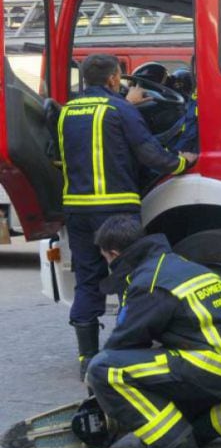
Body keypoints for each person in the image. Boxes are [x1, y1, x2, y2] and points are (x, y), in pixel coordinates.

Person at [84, 215, 221, 448]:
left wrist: (98, 387)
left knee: (104, 370)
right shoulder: (179, 265)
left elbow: (123, 343)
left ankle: (170, 445)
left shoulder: (149, 282)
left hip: (205, 367)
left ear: (115, 254)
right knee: (178, 421)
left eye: (106, 259)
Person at [59, 54, 198, 379]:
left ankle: (87, 359)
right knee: (130, 280)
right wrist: (183, 162)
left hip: (76, 211)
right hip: (115, 209)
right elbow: (150, 154)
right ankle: (126, 352)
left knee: (87, 280)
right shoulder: (121, 110)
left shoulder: (67, 112)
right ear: (112, 80)